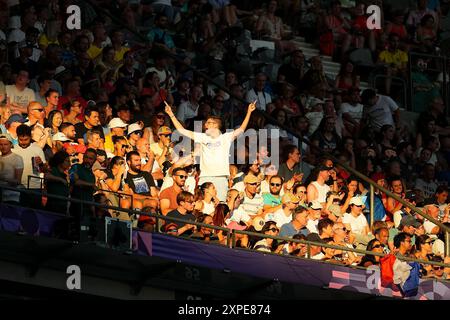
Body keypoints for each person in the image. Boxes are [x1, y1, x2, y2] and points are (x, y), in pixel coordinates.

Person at [165, 100, 256, 202]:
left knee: (219, 205)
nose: (205, 125)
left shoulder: (226, 137)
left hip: (221, 178)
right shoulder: (203, 137)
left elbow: (242, 129)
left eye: (208, 123)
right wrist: (171, 114)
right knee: (203, 205)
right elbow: (182, 131)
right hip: (205, 177)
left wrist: (249, 112)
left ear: (215, 125)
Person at [12, 124, 46, 207]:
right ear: (17, 137)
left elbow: (44, 170)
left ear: (30, 137)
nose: (23, 142)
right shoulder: (13, 150)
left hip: (34, 187)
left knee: (34, 212)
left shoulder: (37, 149)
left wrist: (41, 163)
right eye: (21, 140)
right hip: (18, 187)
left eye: (26, 139)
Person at [0, 134, 23, 203]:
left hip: (11, 197)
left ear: (11, 145)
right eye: (1, 144)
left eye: (5, 144)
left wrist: (3, 178)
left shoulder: (17, 158)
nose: (3, 147)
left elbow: (18, 181)